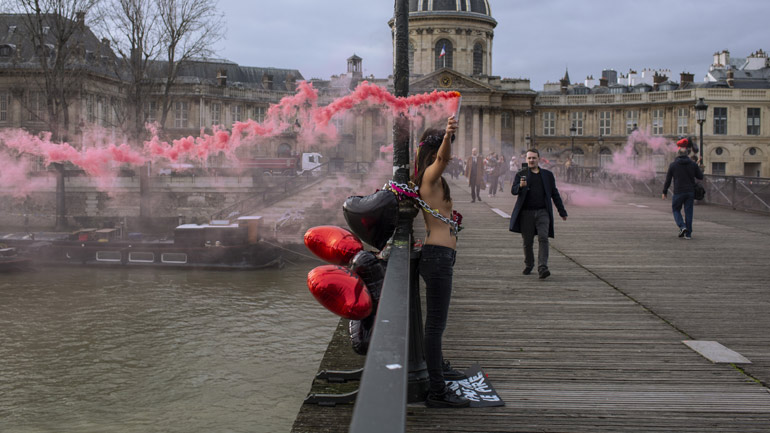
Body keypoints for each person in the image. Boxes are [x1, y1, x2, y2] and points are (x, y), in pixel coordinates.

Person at [414, 116, 470, 408]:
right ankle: (437, 391)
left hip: (440, 256)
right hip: (437, 257)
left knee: (436, 325)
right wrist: (448, 135)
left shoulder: (428, 178)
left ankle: (438, 370)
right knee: (435, 326)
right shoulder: (429, 176)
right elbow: (444, 159)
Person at [510, 149, 568, 279]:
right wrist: (520, 186)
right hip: (526, 212)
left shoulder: (547, 175)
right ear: (526, 160)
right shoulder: (521, 174)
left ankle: (543, 267)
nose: (531, 160)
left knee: (543, 238)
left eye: (534, 158)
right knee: (527, 241)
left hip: (543, 212)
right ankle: (529, 264)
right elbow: (513, 191)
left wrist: (562, 211)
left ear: (539, 159)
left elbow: (554, 194)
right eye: (529, 158)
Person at [662, 147, 704, 240]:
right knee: (689, 212)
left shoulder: (673, 165)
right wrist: (698, 167)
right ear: (687, 154)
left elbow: (668, 180)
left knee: (676, 209)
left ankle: (682, 226)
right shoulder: (693, 164)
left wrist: (664, 191)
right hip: (690, 191)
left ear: (678, 154)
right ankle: (688, 234)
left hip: (678, 191)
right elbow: (700, 176)